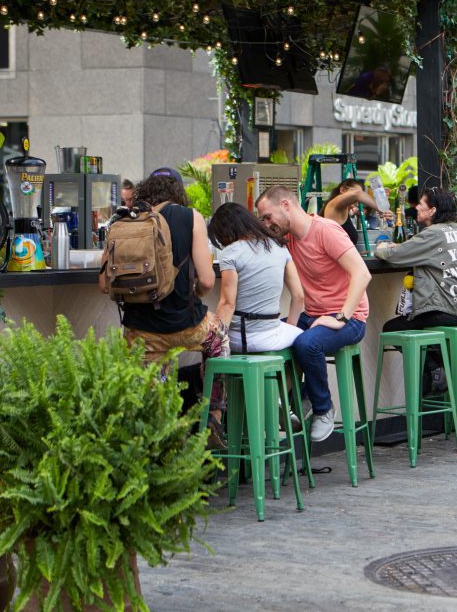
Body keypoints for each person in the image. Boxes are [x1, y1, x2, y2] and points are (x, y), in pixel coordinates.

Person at [100, 168, 227, 432]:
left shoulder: (122, 222)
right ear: (178, 192)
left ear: (144, 190)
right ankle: (213, 415)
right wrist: (193, 297)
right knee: (221, 340)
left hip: (140, 333)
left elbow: (104, 284)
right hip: (188, 326)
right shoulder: (189, 217)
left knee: (152, 392)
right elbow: (206, 280)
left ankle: (163, 438)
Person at [256, 185, 372, 442]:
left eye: (267, 217)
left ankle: (322, 408)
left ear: (286, 205)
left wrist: (341, 317)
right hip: (314, 314)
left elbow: (362, 274)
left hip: (350, 317)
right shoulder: (288, 239)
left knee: (307, 343)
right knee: (269, 335)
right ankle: (296, 401)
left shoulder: (325, 230)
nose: (266, 224)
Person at [374, 187, 457, 391]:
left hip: (444, 310)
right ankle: (438, 369)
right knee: (423, 331)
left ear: (432, 210)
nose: (417, 206)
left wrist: (383, 248)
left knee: (391, 328)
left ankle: (436, 368)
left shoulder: (433, 234)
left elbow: (394, 256)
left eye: (421, 203)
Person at [208, 202, 304, 354]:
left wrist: (216, 346)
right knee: (301, 339)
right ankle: (288, 377)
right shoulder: (280, 247)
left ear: (225, 231)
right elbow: (299, 296)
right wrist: (289, 328)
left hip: (240, 338)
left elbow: (227, 304)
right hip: (272, 334)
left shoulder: (230, 253)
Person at [321, 178, 392, 246]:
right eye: (354, 192)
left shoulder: (344, 210)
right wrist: (381, 208)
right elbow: (357, 194)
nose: (358, 199)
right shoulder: (334, 205)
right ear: (342, 189)